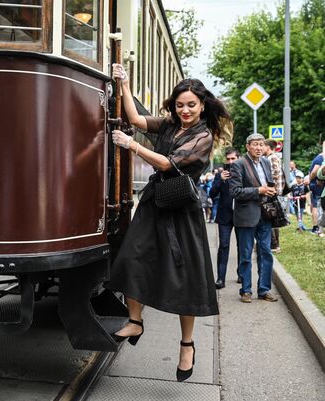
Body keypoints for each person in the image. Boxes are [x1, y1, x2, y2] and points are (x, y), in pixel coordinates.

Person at [107, 63, 232, 382]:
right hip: (154, 204)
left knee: (185, 280)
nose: (185, 110)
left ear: (202, 105)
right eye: (180, 105)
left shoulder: (203, 136)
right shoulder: (167, 126)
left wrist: (131, 145)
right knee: (132, 257)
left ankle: (187, 345)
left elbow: (169, 163)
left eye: (191, 104)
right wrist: (124, 83)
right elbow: (135, 119)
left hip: (181, 210)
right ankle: (135, 321)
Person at [230, 133, 278, 303]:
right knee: (245, 254)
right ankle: (246, 290)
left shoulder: (265, 161)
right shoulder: (238, 164)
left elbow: (268, 183)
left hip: (265, 215)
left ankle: (264, 290)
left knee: (266, 253)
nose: (259, 148)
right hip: (245, 216)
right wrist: (259, 190)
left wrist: (271, 190)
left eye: (261, 144)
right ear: (247, 146)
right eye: (255, 144)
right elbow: (235, 192)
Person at [210, 148, 240, 289]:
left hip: (241, 215)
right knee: (224, 246)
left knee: (243, 246)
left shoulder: (244, 172)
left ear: (238, 159)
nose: (230, 162)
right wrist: (220, 180)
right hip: (224, 216)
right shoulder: (220, 174)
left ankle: (241, 275)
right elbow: (212, 193)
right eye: (228, 159)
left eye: (233, 159)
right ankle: (220, 279)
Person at [264, 139, 284, 253]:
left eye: (263, 146)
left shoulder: (272, 158)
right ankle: (275, 245)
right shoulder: (272, 157)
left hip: (273, 192)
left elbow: (275, 172)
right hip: (275, 191)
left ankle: (275, 245)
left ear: (268, 147)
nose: (261, 148)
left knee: (271, 217)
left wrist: (267, 183)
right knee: (273, 217)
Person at [308, 142, 324, 234]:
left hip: (317, 184)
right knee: (316, 206)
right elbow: (314, 172)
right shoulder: (320, 158)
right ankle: (316, 227)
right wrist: (310, 180)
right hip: (317, 184)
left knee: (317, 205)